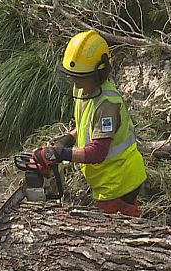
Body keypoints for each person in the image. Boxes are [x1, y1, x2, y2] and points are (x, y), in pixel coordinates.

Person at [29, 30, 147, 217]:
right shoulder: (85, 90)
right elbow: (86, 126)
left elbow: (98, 152)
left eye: (81, 76)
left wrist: (61, 154)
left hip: (119, 182)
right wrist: (68, 139)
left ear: (99, 73)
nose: (75, 80)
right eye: (72, 75)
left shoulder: (107, 104)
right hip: (107, 180)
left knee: (117, 234)